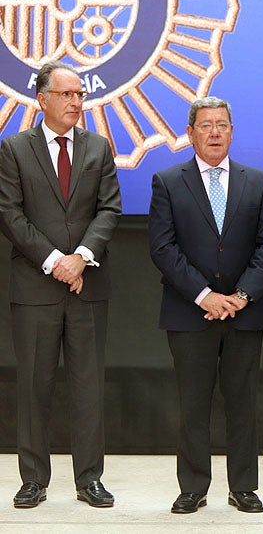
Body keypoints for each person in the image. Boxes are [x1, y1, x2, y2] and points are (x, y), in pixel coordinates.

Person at [148, 97, 263, 515]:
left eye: (222, 125)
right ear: (190, 133)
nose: (214, 133)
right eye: (205, 126)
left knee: (243, 402)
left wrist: (240, 297)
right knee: (193, 402)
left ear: (231, 131)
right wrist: (205, 295)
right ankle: (193, 487)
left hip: (245, 312)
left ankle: (243, 486)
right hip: (190, 312)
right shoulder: (168, 181)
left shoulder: (257, 181)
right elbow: (163, 248)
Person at [0, 61, 122, 509]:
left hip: (87, 285)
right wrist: (55, 262)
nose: (76, 102)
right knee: (34, 386)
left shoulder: (99, 147)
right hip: (35, 287)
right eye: (67, 95)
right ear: (43, 99)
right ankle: (33, 479)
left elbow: (109, 209)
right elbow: (10, 214)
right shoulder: (13, 148)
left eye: (80, 95)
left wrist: (81, 258)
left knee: (88, 386)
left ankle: (89, 479)